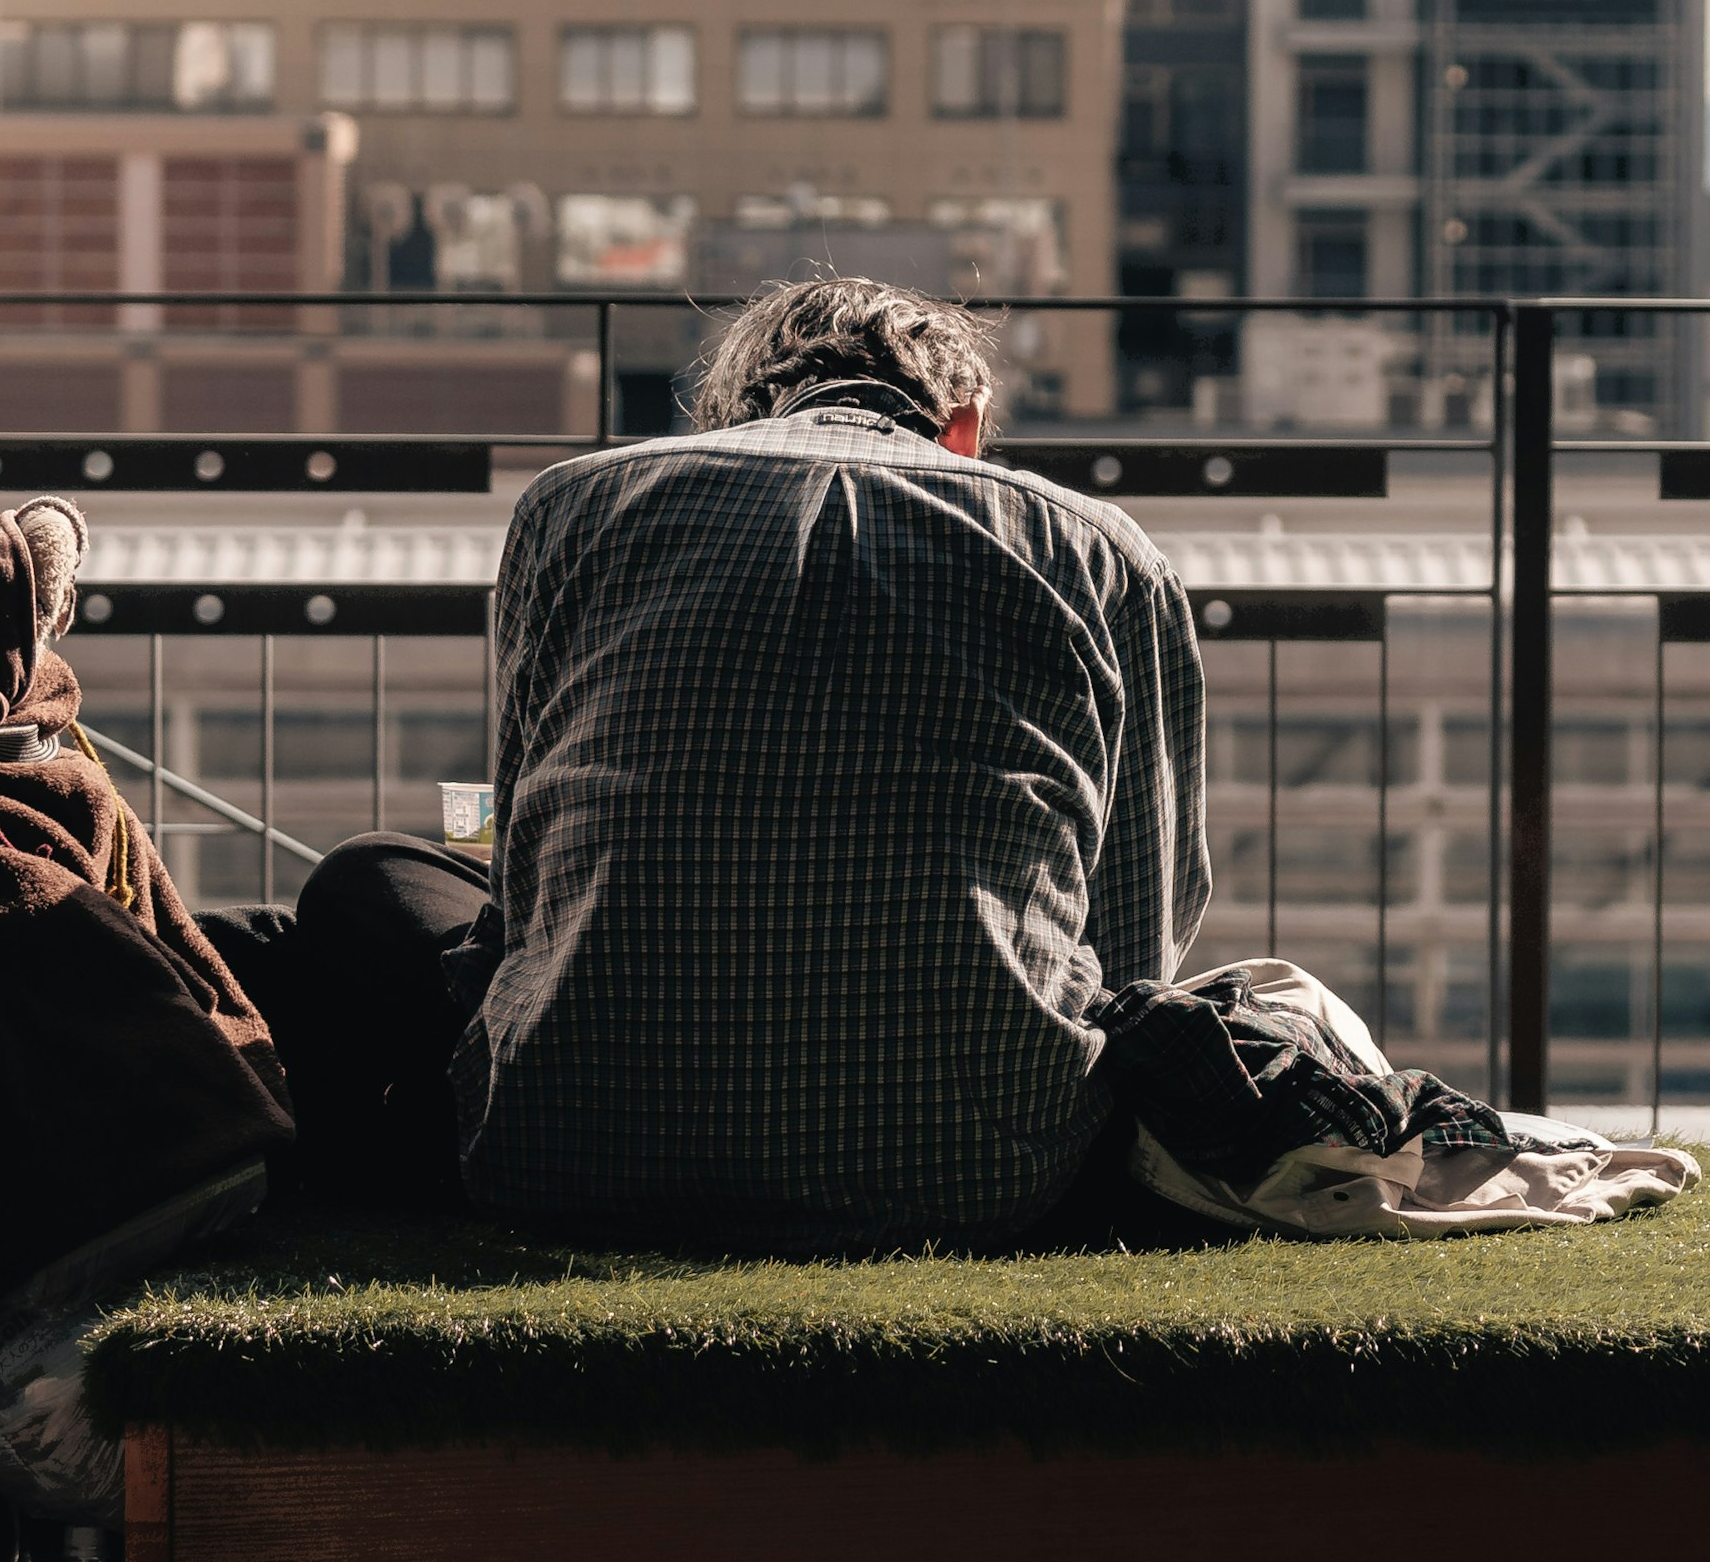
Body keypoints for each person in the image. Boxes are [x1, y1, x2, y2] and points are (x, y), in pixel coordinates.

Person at [236, 275, 1208, 1246]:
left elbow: (524, 887)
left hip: (566, 1153)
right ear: (966, 421)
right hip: (987, 1178)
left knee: (366, 880)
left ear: (735, 412)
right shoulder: (1101, 551)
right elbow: (1135, 949)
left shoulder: (573, 505)